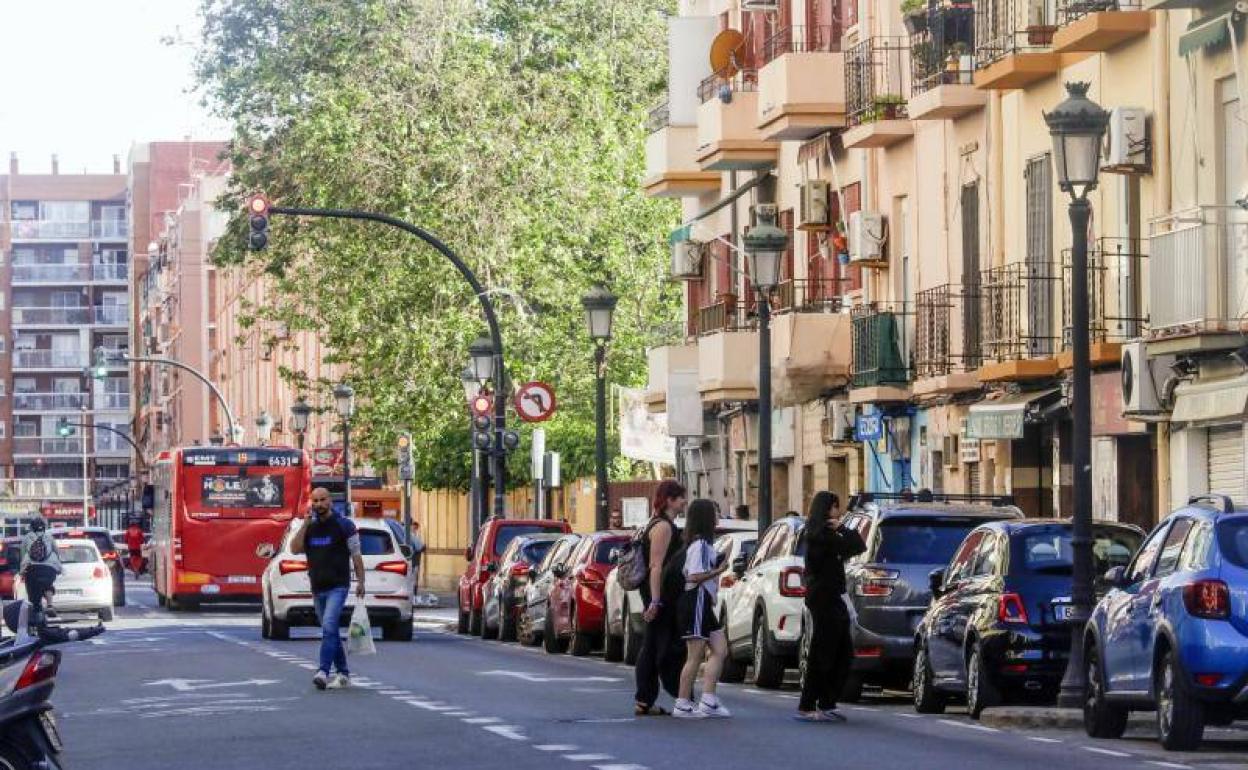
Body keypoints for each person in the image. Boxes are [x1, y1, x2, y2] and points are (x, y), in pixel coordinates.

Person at [796, 491, 866, 723]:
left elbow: (858, 545)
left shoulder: (830, 533)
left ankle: (827, 702)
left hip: (835, 597)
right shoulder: (818, 536)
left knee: (842, 652)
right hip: (823, 599)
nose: (840, 512)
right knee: (822, 652)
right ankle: (808, 704)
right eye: (836, 507)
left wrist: (842, 528)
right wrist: (839, 530)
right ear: (827, 509)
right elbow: (851, 546)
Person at [291, 487, 366, 690]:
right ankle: (343, 673)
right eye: (315, 501)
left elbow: (356, 554)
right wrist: (305, 524)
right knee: (330, 630)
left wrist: (361, 581)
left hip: (338, 586)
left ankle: (323, 671)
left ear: (330, 501)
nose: (319, 505)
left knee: (329, 625)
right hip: (318, 587)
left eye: (323, 500)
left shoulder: (344, 525)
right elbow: (294, 548)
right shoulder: (311, 528)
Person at [633, 480, 687, 716]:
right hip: (660, 593)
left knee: (654, 644)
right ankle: (679, 694)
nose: (684, 502)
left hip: (661, 593)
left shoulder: (659, 524)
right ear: (669, 501)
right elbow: (656, 566)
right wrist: (655, 601)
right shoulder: (663, 527)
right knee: (664, 645)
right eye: (681, 498)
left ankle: (646, 699)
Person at [673, 499, 731, 719]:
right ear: (706, 518)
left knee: (720, 649)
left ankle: (708, 699)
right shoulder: (698, 545)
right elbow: (694, 576)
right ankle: (682, 702)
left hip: (704, 601)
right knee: (694, 656)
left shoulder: (706, 545)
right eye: (715, 513)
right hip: (695, 600)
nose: (718, 517)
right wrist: (718, 571)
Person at [19, 517, 61, 626]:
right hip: (49, 569)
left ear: (31, 527)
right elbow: (56, 552)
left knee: (34, 596)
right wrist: (57, 566)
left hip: (32, 569)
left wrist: (22, 571)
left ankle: (37, 615)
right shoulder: (49, 537)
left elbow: (23, 554)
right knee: (48, 585)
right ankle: (50, 605)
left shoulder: (27, 538)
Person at [409, 521, 426, 596]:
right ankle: (414, 594)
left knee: (412, 578)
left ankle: (413, 593)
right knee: (414, 578)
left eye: (416, 527)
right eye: (414, 527)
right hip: (414, 560)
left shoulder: (413, 535)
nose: (415, 529)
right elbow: (420, 547)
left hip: (410, 560)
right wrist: (423, 546)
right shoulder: (413, 536)